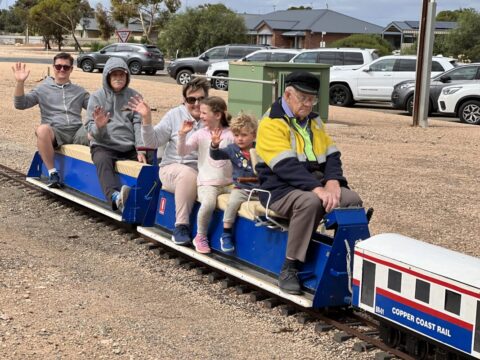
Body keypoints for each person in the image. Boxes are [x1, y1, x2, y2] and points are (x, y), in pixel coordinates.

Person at [255, 70, 363, 295]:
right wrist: (318, 189)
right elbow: (286, 167)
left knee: (352, 199)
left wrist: (333, 182)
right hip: (280, 189)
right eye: (303, 98)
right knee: (310, 202)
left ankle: (347, 258)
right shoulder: (271, 122)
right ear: (287, 95)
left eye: (312, 99)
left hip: (317, 184)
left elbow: (332, 154)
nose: (308, 104)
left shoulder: (314, 121)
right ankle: (290, 266)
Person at [132, 78, 210, 245]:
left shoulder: (212, 117)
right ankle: (181, 226)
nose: (197, 103)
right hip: (172, 169)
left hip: (203, 172)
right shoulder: (175, 115)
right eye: (191, 100)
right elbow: (152, 143)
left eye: (201, 99)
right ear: (184, 101)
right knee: (187, 174)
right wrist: (146, 119)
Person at [12, 52, 89, 188]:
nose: (61, 70)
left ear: (71, 69)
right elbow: (20, 104)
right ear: (53, 67)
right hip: (56, 131)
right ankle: (53, 173)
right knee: (42, 130)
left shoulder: (79, 91)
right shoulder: (42, 88)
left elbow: (96, 108)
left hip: (77, 131)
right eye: (58, 66)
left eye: (66, 67)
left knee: (98, 128)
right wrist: (20, 83)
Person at [85, 57, 146, 212]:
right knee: (101, 159)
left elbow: (138, 124)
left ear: (127, 77)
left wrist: (141, 148)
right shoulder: (97, 97)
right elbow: (91, 130)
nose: (118, 78)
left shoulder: (135, 97)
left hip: (129, 147)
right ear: (107, 76)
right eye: (114, 75)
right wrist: (100, 127)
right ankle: (115, 197)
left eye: (122, 75)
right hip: (104, 145)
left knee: (153, 159)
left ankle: (152, 199)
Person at [177, 97, 234, 254]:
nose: (200, 116)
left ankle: (227, 235)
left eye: (204, 112)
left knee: (240, 199)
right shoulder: (200, 134)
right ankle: (200, 236)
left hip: (228, 182)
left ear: (217, 115)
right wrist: (182, 135)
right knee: (208, 204)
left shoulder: (231, 134)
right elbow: (182, 152)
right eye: (200, 112)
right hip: (207, 182)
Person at [209, 113, 258, 253]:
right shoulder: (232, 149)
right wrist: (214, 145)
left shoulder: (260, 149)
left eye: (244, 135)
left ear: (253, 135)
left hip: (260, 189)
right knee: (232, 203)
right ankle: (226, 233)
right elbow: (216, 155)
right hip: (241, 188)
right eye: (236, 135)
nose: (240, 139)